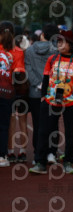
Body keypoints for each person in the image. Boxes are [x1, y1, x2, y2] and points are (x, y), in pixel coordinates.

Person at [29, 29, 73, 175]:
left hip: (71, 103)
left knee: (70, 134)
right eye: (58, 41)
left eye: (63, 42)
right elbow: (46, 78)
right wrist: (43, 97)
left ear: (71, 44)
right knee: (44, 132)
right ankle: (40, 162)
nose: (59, 44)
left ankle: (68, 162)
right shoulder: (52, 59)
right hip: (50, 101)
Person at [24, 23, 58, 163]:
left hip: (35, 92)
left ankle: (38, 153)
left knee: (38, 124)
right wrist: (48, 85)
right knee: (53, 123)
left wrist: (38, 84)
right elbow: (57, 70)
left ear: (42, 34)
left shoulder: (29, 50)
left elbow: (28, 70)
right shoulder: (57, 50)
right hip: (53, 91)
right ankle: (51, 153)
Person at [0, 22, 26, 167]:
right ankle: (2, 156)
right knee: (4, 125)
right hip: (8, 92)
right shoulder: (18, 51)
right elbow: (19, 74)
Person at [8, 33, 29, 164]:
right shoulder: (22, 52)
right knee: (23, 121)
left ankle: (10, 152)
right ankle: (23, 151)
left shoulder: (5, 51)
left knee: (10, 121)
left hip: (9, 87)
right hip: (22, 86)